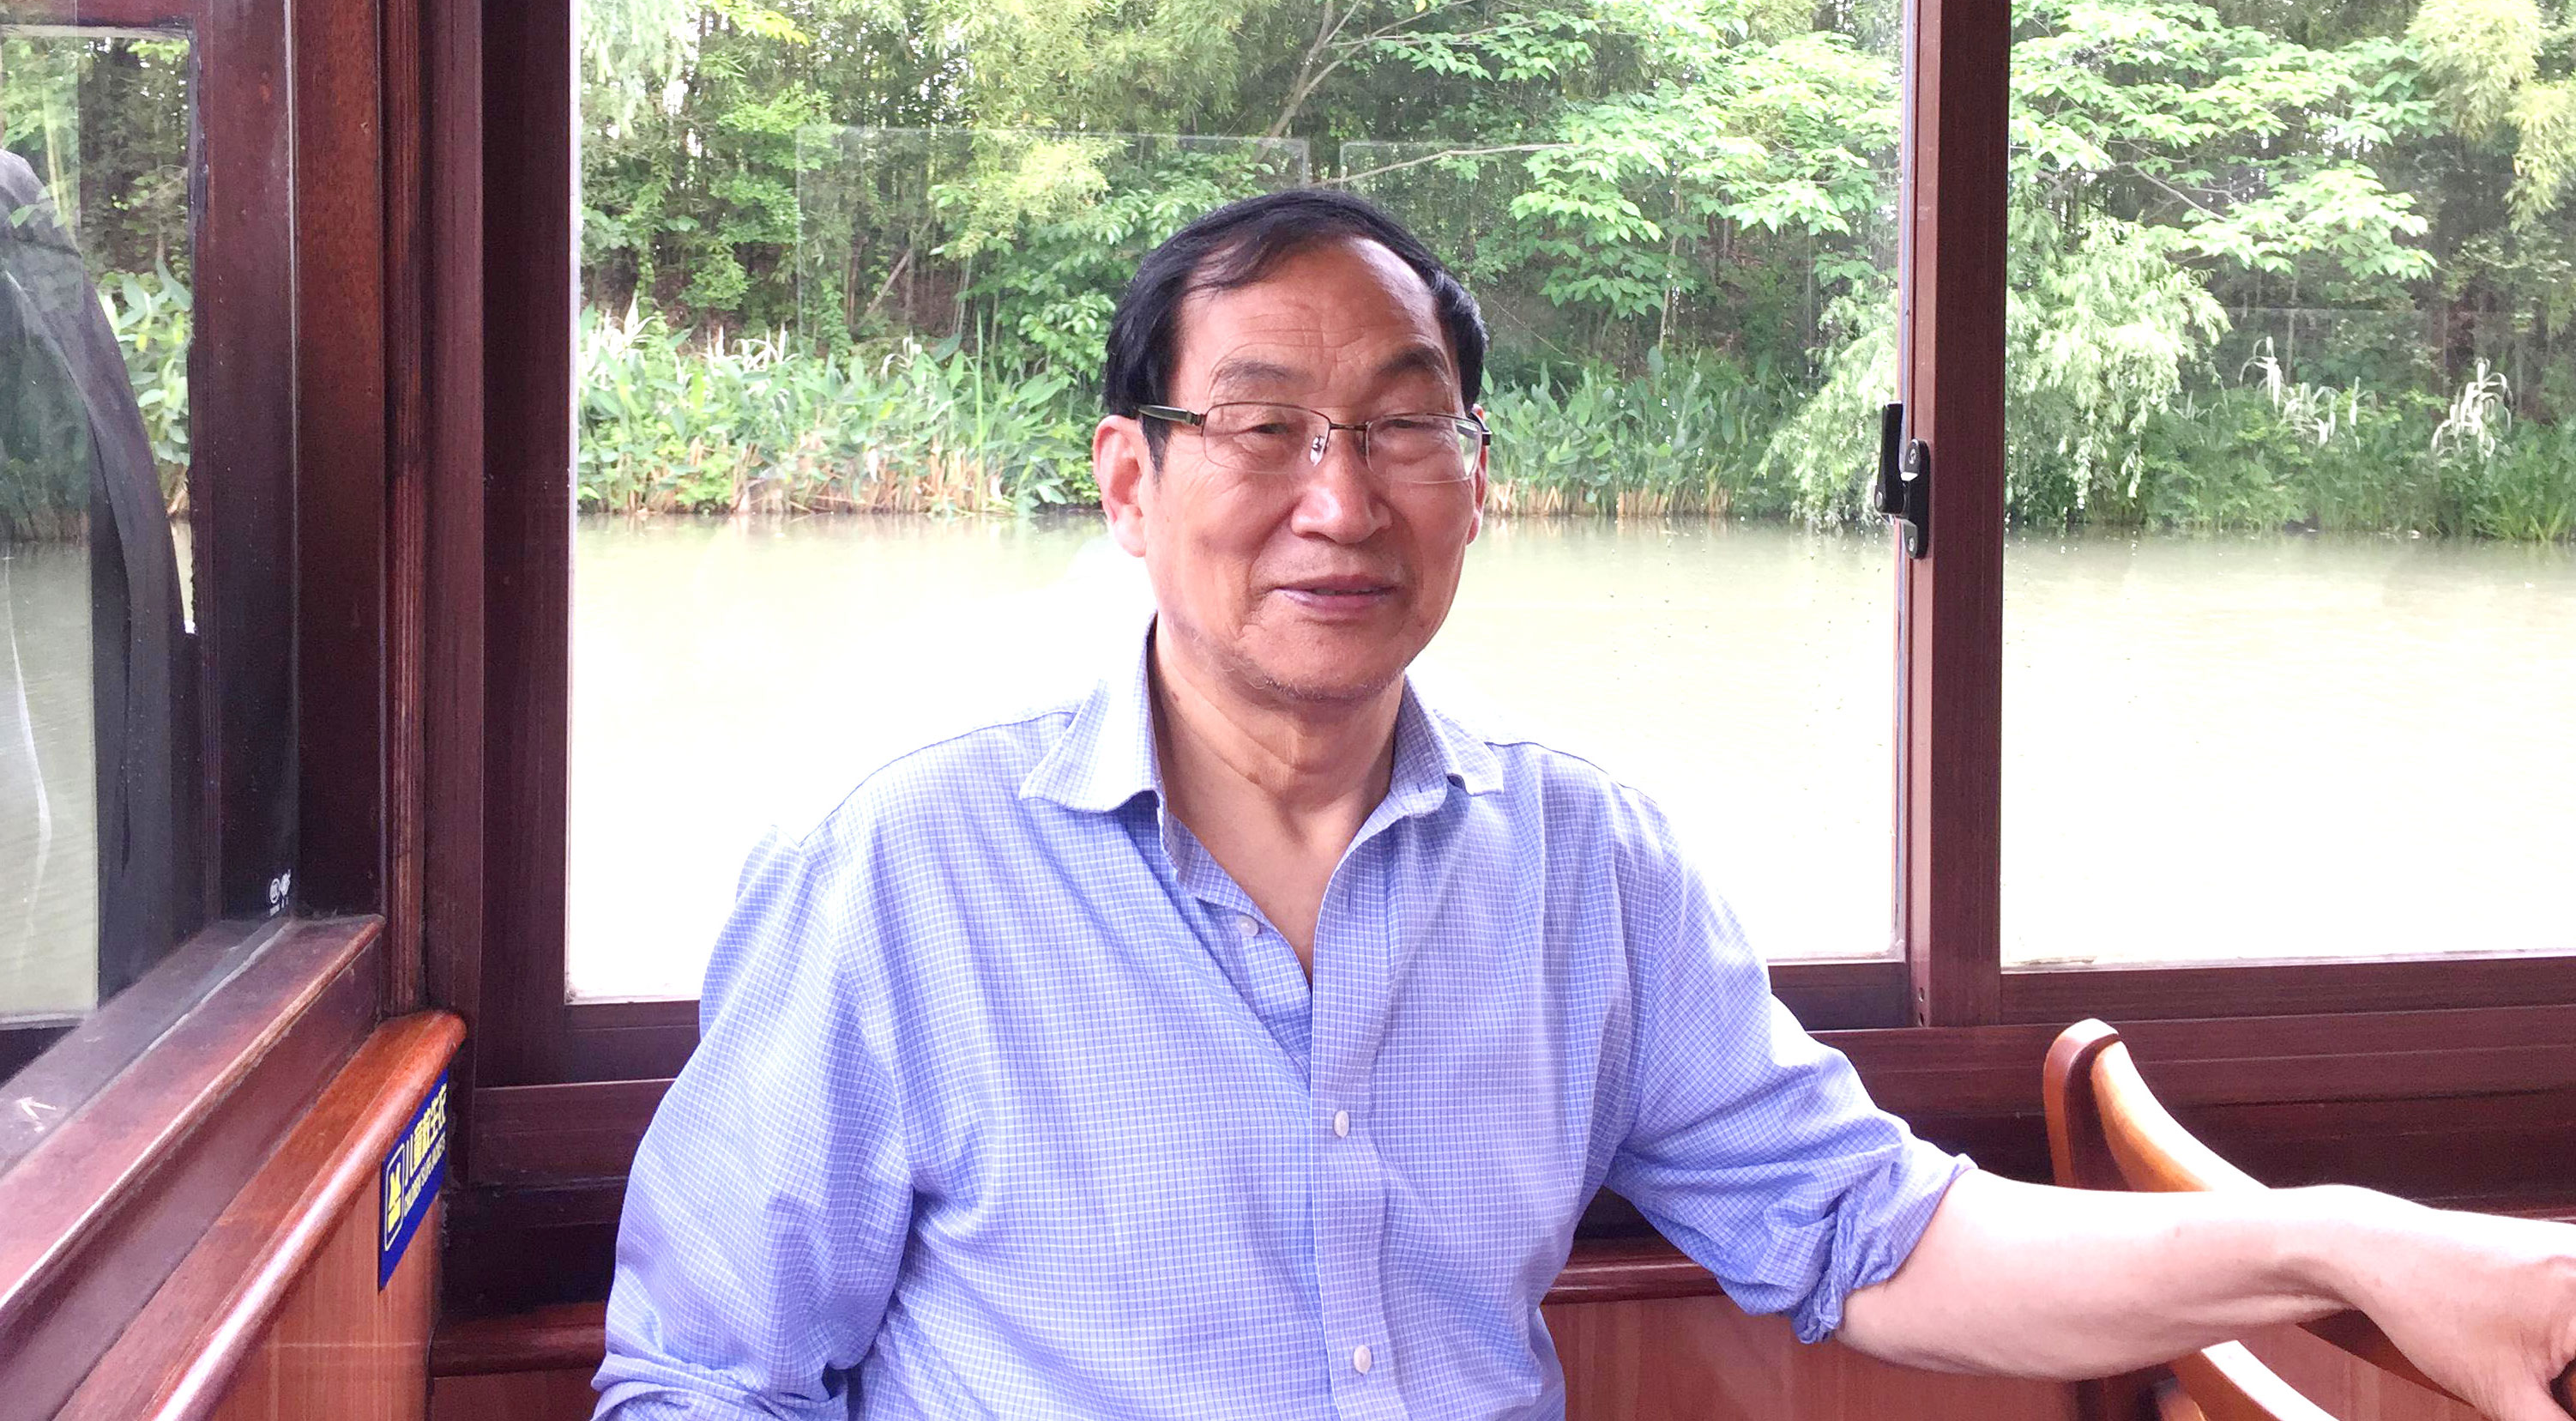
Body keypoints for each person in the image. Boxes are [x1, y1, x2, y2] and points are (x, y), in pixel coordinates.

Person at [594, 189, 2576, 1421]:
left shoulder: (1577, 865)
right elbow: (701, 1379)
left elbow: (1877, 1235)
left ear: (1475, 478)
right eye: (1262, 424)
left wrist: (2350, 1242)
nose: (1337, 496)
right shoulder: (901, 869)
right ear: (1129, 480)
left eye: (1401, 425)